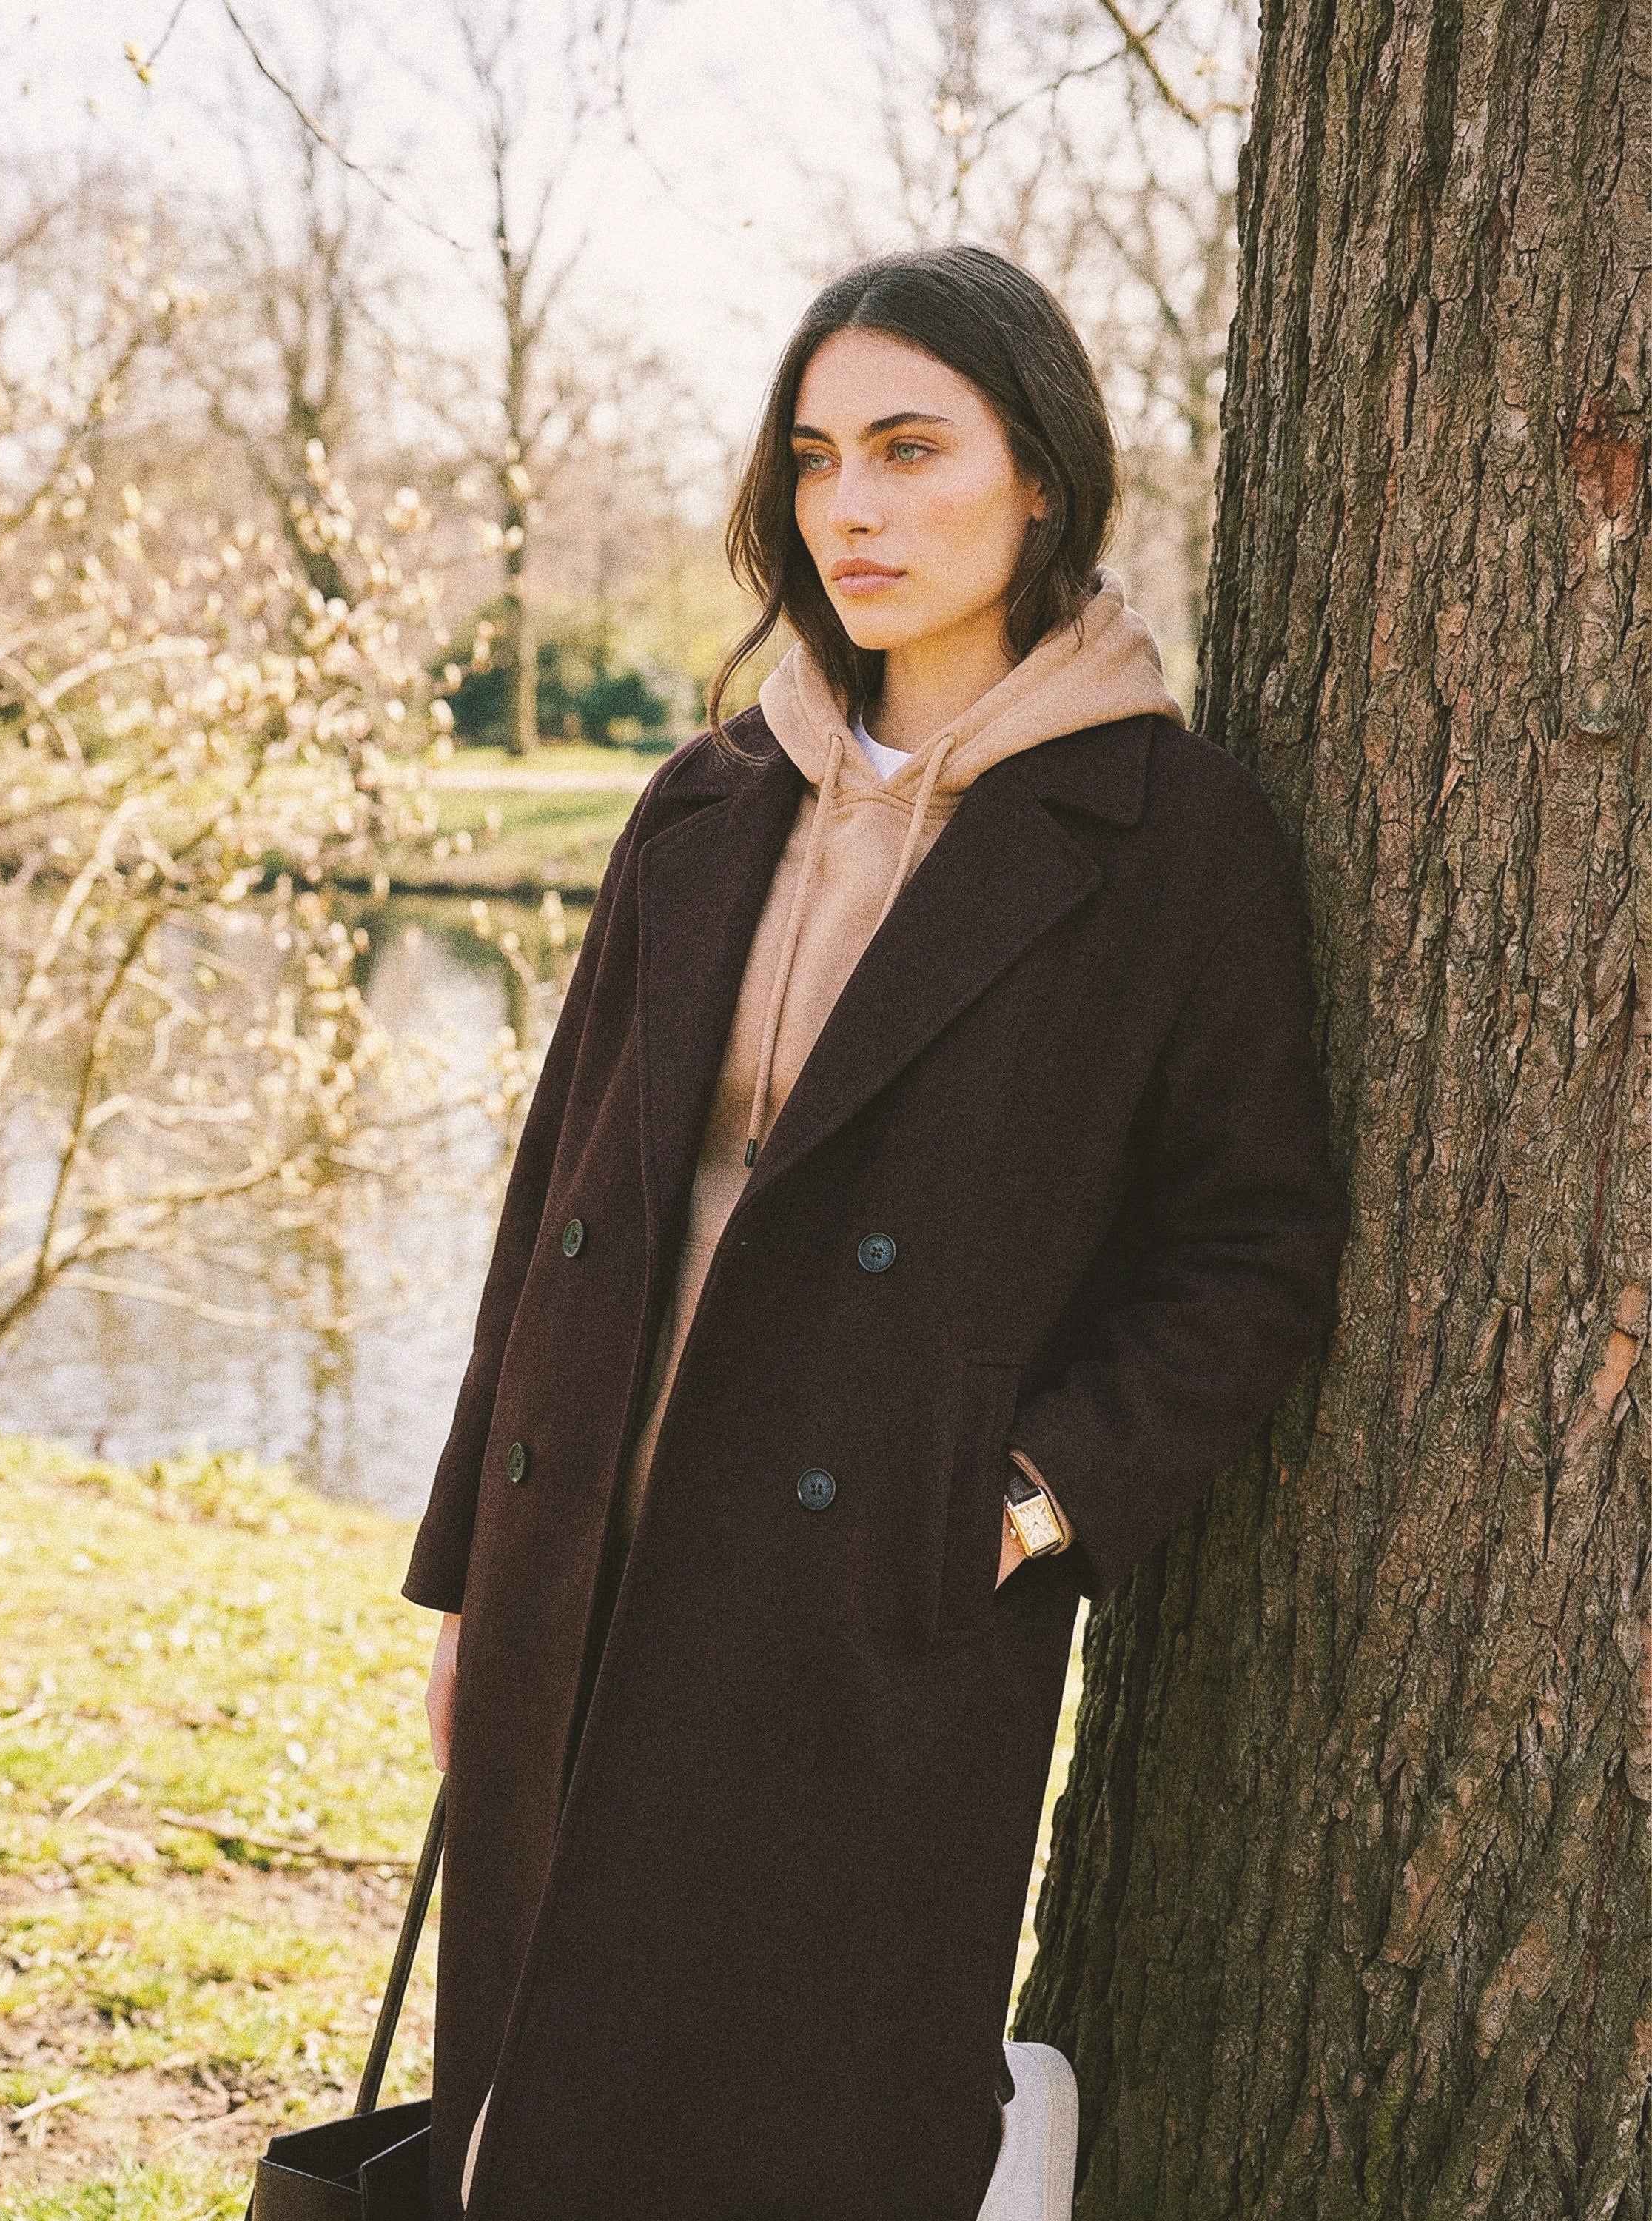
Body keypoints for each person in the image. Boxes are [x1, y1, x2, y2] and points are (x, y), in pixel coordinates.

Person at [406, 244, 1347, 2221]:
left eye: (913, 450)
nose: (853, 505)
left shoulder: (1172, 843)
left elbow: (1253, 1249)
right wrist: (474, 1588)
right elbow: (555, 1208)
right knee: (535, 2124)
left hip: (871, 1604)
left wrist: (1023, 1503)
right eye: (819, 457)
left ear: (1040, 479)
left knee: (797, 2129)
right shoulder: (705, 800)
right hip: (581, 1568)